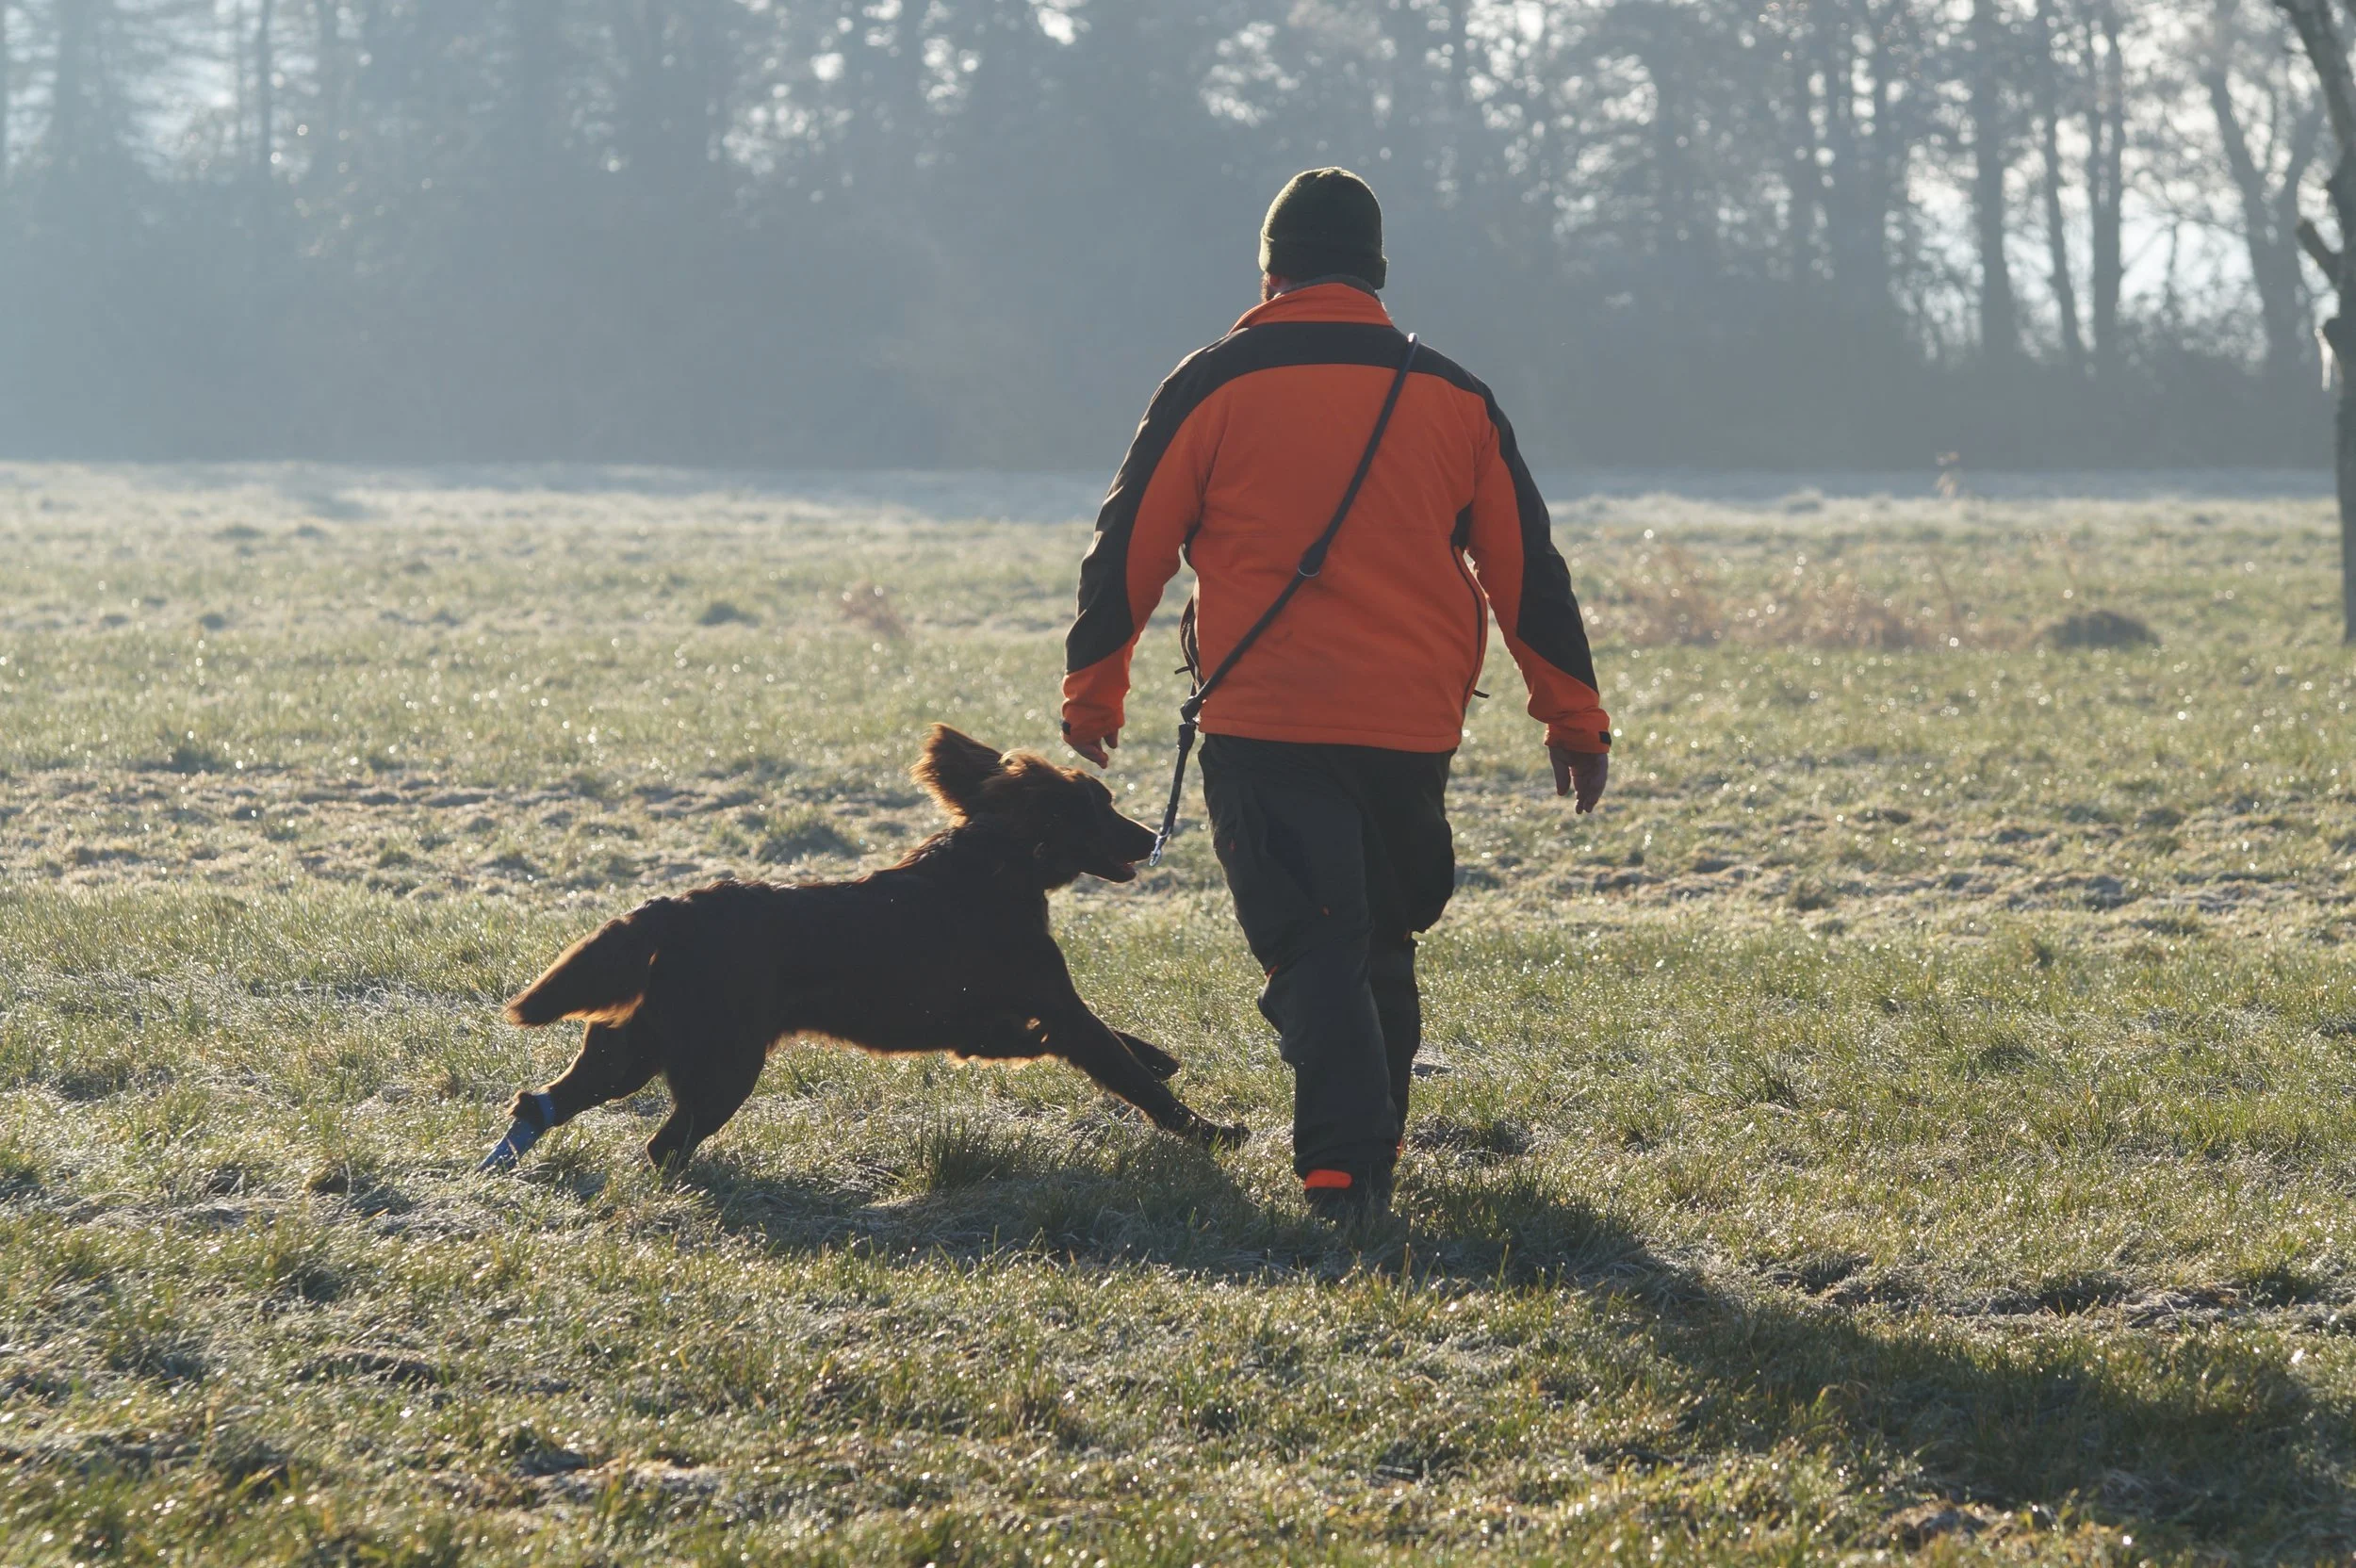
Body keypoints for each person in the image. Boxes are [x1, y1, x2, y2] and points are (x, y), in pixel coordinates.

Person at [1059, 168, 1610, 1225]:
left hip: (1266, 719)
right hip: (1409, 725)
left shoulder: (1212, 384)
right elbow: (1527, 574)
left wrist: (1095, 694)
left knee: (1314, 943)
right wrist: (1574, 720)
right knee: (1378, 940)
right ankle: (1370, 1148)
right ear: (1376, 275)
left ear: (1271, 273)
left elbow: (1127, 545)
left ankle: (1343, 1173)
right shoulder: (1452, 395)